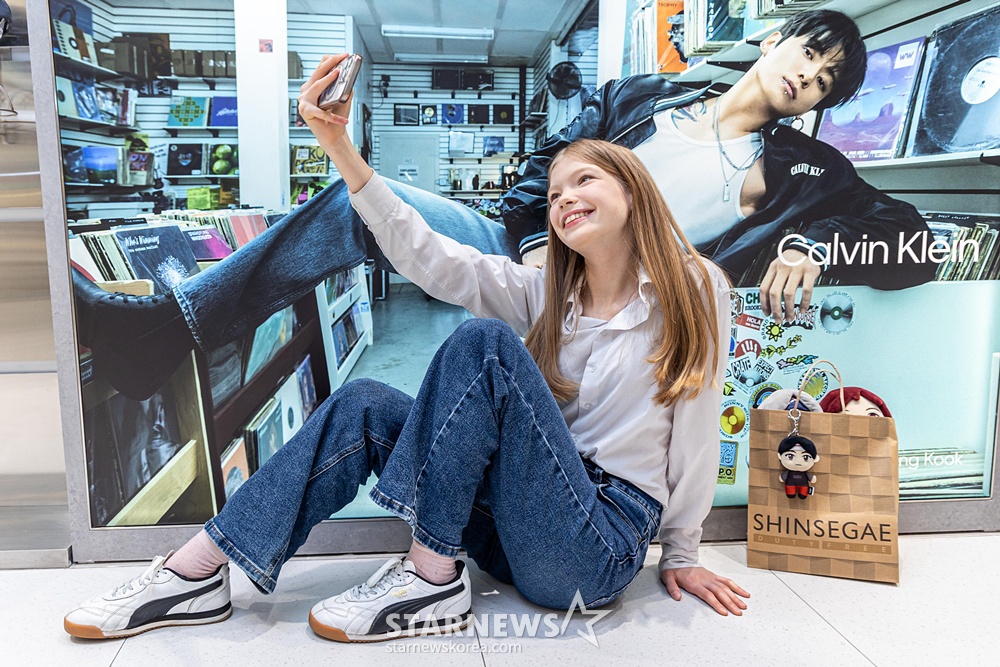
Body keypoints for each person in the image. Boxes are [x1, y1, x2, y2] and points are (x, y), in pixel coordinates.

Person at [64, 54, 747, 642]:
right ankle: (197, 571)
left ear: (634, 190)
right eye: (556, 191)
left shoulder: (693, 289)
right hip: (521, 523)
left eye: (586, 181)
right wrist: (340, 147)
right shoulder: (544, 295)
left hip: (596, 545)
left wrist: (681, 551)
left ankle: (428, 578)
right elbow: (432, 257)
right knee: (363, 403)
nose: (564, 198)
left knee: (483, 345)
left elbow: (695, 427)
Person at [71, 8, 935, 403]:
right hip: (530, 243)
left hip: (616, 299)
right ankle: (161, 333)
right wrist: (526, 243)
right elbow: (543, 172)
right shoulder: (642, 94)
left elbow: (914, 238)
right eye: (809, 52)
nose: (806, 77)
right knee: (352, 204)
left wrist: (816, 243)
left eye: (826, 82)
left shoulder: (806, 170)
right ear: (775, 37)